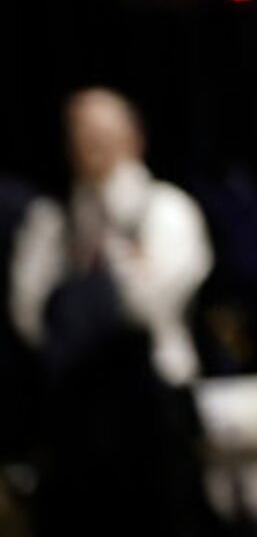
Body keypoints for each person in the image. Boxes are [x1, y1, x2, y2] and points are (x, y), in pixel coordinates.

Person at [8, 89, 213, 534]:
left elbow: (152, 300)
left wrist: (112, 262)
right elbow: (28, 314)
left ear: (135, 138)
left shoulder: (167, 209)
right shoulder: (53, 220)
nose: (91, 145)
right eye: (80, 134)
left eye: (103, 133)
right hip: (76, 416)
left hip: (156, 414)